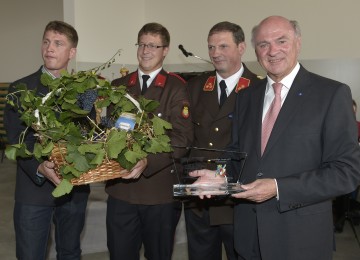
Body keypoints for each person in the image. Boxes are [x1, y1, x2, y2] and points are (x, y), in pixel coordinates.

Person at [190, 16, 360, 260]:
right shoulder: (246, 96)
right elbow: (237, 154)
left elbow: (346, 173)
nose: (272, 51)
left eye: (281, 41)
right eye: (263, 44)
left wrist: (278, 188)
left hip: (300, 239)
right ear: (255, 51)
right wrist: (219, 175)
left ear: (298, 43)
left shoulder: (331, 94)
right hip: (249, 236)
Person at [105, 22, 193, 260]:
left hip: (159, 194)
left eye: (153, 45)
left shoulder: (177, 87)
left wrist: (148, 161)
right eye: (142, 44)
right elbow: (110, 134)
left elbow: (182, 138)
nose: (146, 50)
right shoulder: (119, 87)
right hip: (121, 191)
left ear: (165, 50)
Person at [4, 21, 89, 260]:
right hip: (33, 189)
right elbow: (15, 138)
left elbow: (90, 137)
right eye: (46, 41)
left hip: (73, 188)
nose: (49, 48)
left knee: (70, 252)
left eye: (58, 43)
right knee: (30, 254)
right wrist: (39, 167)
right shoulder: (20, 90)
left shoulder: (85, 91)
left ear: (71, 52)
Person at [184, 21, 261, 260]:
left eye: (223, 46)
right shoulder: (195, 87)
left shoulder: (260, 89)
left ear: (241, 47)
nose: (216, 53)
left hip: (237, 202)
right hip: (200, 201)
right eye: (211, 47)